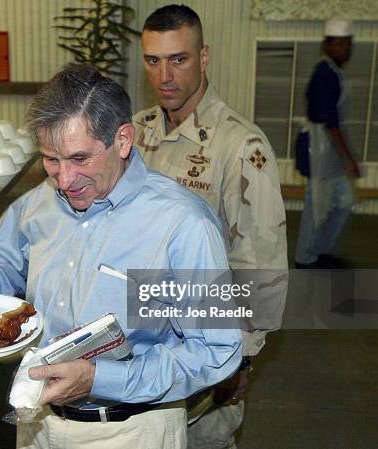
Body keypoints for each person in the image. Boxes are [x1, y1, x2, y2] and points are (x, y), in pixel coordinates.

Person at [0, 63, 242, 449]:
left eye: (80, 159)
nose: (64, 181)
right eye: (51, 159)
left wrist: (101, 379)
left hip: (130, 430)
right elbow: (4, 257)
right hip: (38, 420)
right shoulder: (39, 203)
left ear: (122, 140)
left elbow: (216, 350)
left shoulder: (182, 225)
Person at [133, 5, 288, 449]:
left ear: (203, 57)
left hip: (204, 342)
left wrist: (240, 357)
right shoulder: (137, 133)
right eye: (153, 60)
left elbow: (259, 258)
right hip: (141, 337)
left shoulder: (240, 144)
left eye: (178, 59)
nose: (164, 75)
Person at [294, 20, 360, 269]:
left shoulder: (336, 71)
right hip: (318, 146)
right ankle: (305, 258)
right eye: (339, 44)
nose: (345, 49)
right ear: (326, 45)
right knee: (316, 204)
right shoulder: (325, 73)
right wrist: (349, 158)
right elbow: (330, 122)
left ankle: (319, 250)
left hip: (330, 146)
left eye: (348, 44)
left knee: (341, 201)